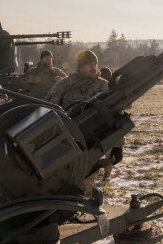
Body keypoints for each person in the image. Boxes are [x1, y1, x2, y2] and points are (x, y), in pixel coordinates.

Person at [46, 50, 123, 193]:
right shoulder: (65, 84)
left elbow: (116, 117)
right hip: (65, 142)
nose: (94, 68)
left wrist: (118, 146)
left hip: (92, 144)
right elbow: (48, 108)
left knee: (85, 186)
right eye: (89, 64)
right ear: (80, 67)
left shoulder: (103, 87)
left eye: (95, 64)